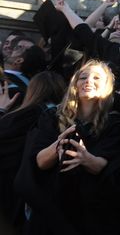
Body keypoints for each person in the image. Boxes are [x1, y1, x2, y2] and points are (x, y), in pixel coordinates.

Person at [18, 61, 120, 235]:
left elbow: (106, 167)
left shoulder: (116, 125)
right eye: (83, 77)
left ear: (108, 87)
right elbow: (39, 161)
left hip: (88, 214)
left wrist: (84, 157)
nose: (88, 81)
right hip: (49, 209)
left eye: (96, 77)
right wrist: (58, 145)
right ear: (75, 83)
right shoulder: (52, 117)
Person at [0, 72, 66, 233]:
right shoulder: (64, 118)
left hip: (9, 191)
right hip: (37, 196)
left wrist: (1, 111)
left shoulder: (22, 115)